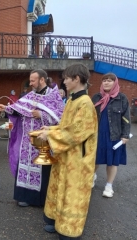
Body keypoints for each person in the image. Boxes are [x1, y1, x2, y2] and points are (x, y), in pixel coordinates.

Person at [37, 63, 98, 239]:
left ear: (77, 79)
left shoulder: (85, 103)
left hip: (78, 159)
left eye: (66, 78)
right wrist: (50, 130)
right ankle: (57, 221)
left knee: (73, 194)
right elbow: (65, 127)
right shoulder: (73, 99)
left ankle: (70, 230)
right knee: (61, 189)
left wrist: (49, 135)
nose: (63, 82)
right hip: (67, 155)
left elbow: (76, 132)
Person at [0, 69, 64, 207]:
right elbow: (19, 109)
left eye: (33, 80)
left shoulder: (54, 97)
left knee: (42, 168)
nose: (31, 83)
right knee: (25, 166)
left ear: (42, 80)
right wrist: (6, 109)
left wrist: (42, 115)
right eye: (30, 80)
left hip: (43, 141)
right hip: (26, 142)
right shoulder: (30, 95)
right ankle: (24, 197)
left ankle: (41, 200)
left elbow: (61, 117)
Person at [91, 73, 130, 197]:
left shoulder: (122, 98)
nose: (106, 83)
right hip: (97, 134)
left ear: (115, 82)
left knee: (112, 162)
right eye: (104, 81)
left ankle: (109, 186)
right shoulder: (96, 97)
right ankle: (92, 176)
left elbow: (126, 119)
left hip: (114, 136)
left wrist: (125, 135)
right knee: (94, 160)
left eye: (109, 80)